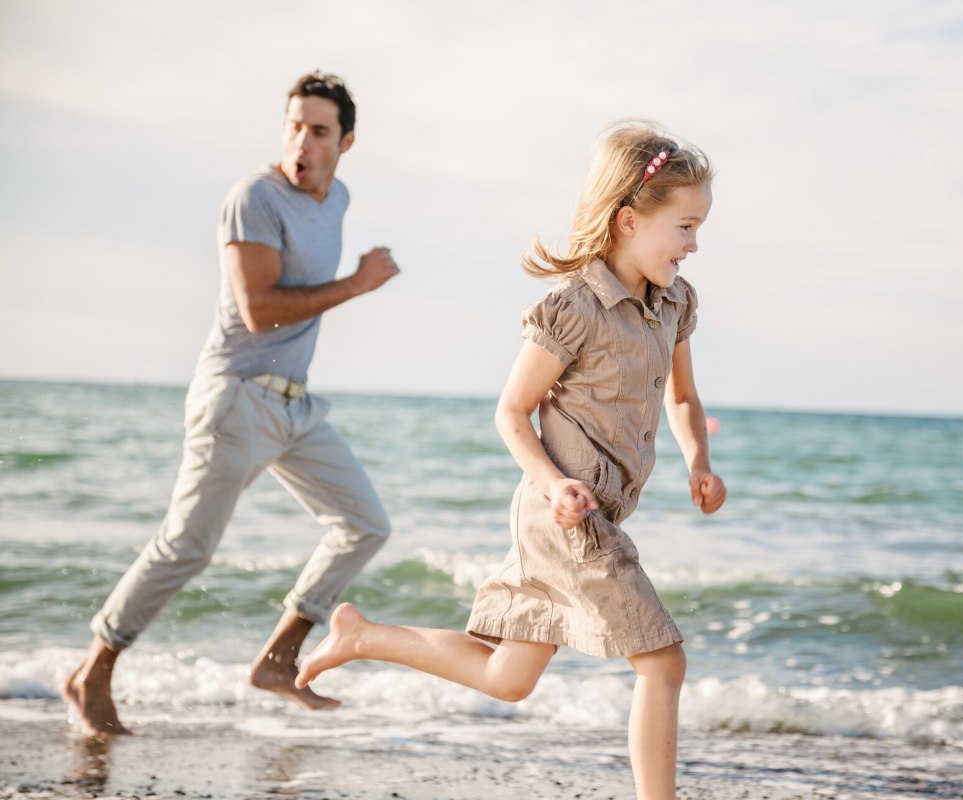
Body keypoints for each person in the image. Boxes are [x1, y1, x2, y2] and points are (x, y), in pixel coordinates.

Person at [295, 121, 727, 800]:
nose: (694, 243)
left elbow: (684, 395)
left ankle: (362, 637)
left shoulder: (673, 303)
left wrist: (698, 458)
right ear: (626, 221)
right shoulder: (573, 309)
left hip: (595, 511)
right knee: (662, 663)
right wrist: (555, 483)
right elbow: (511, 411)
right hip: (560, 513)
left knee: (508, 679)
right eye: (684, 226)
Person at [63, 71, 400, 737]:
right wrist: (357, 285)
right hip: (237, 400)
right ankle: (92, 671)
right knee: (186, 547)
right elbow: (261, 309)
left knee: (365, 523)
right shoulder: (254, 198)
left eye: (319, 130)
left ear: (346, 141)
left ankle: (277, 659)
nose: (303, 141)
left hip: (295, 407)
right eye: (295, 126)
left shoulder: (337, 199)